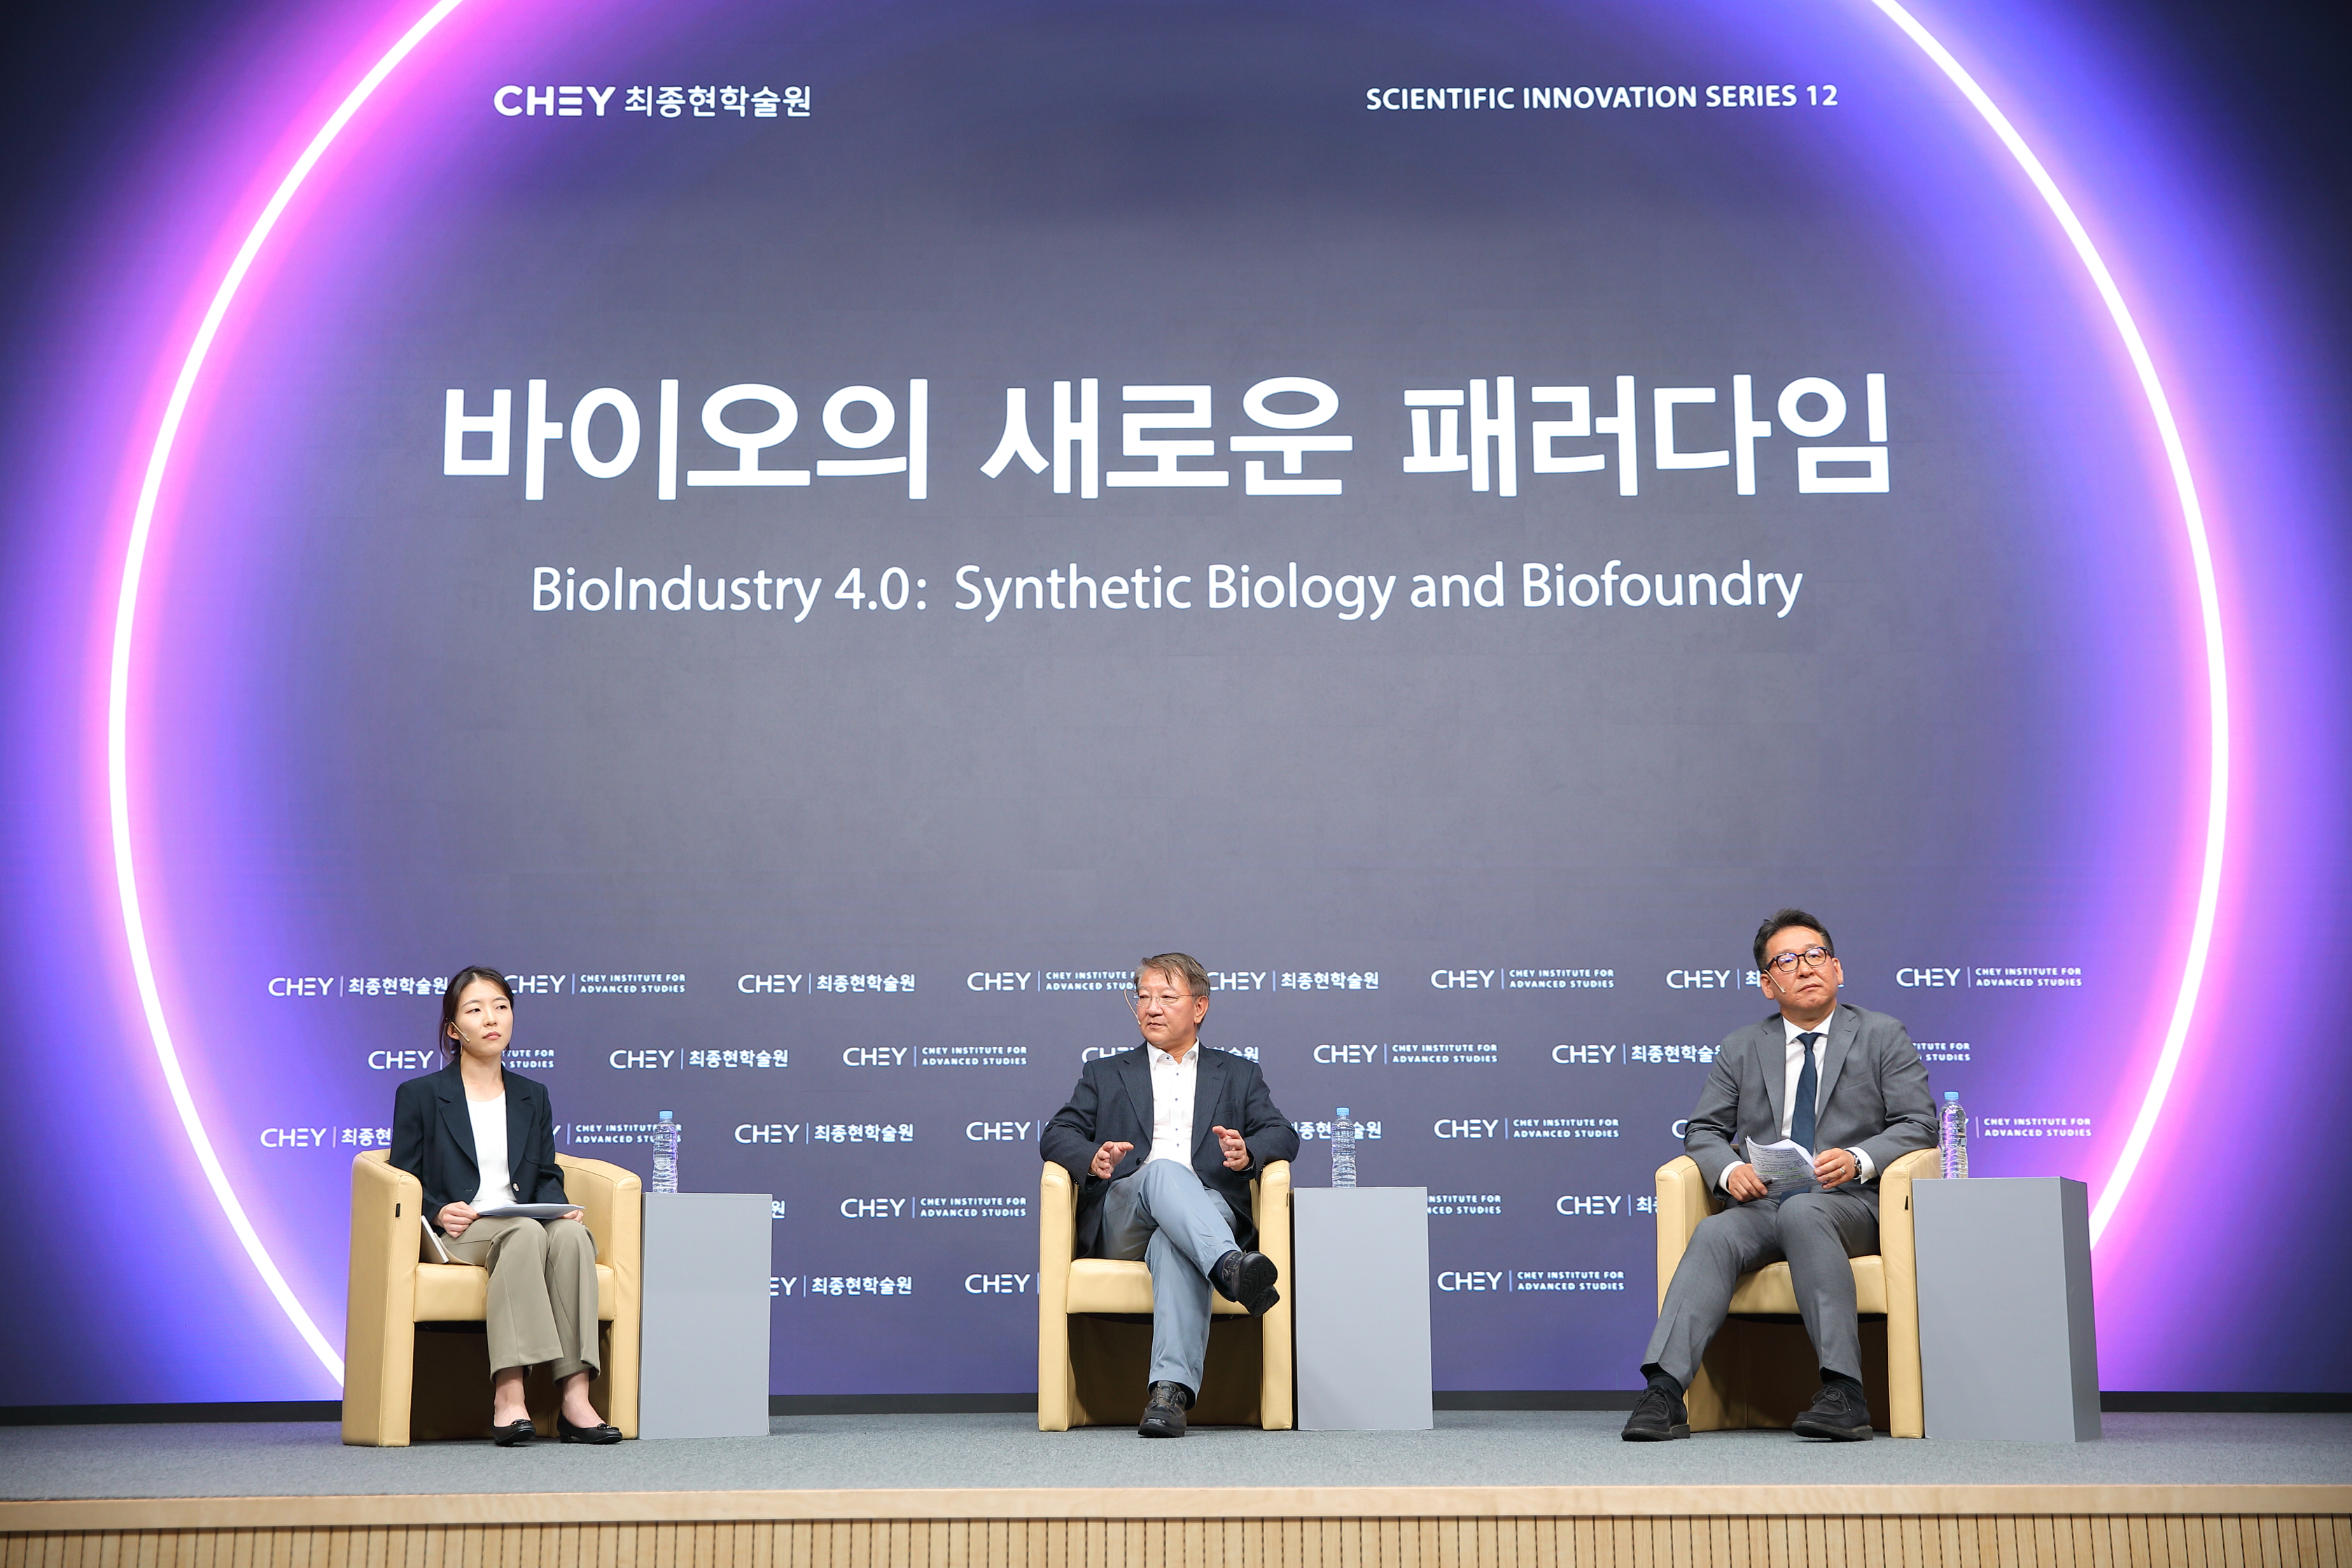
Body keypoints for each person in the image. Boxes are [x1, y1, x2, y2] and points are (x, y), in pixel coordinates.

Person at [1623, 909, 1936, 1443]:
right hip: (1768, 1201)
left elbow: (1919, 1124)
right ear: (1769, 985)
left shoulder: (1882, 1035)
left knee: (1806, 1211)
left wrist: (1858, 1158)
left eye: (1816, 955)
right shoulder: (1742, 1047)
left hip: (1850, 1204)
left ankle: (1845, 1392)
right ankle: (1665, 1391)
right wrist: (1730, 1171)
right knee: (1715, 1232)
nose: (1806, 968)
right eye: (1787, 961)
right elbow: (1704, 1130)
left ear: (1838, 969)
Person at [1041, 953, 1300, 1437]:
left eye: (1165, 996)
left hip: (1205, 1214)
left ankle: (1168, 1395)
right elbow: (1056, 1135)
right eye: (1142, 997)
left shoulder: (1238, 1074)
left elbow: (1282, 1134)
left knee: (1174, 1243)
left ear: (1199, 1006)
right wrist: (1093, 1157)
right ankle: (1229, 1265)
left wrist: (1248, 1153)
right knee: (1162, 1171)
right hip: (1127, 1216)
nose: (1151, 1008)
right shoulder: (1104, 1073)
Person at [388, 967, 622, 1446]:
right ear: (454, 1029)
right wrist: (436, 1210)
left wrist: (558, 1207)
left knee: (571, 1235)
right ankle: (509, 1394)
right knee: (524, 1232)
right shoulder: (421, 1095)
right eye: (475, 1010)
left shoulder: (532, 1096)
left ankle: (575, 1398)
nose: (491, 1019)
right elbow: (402, 1178)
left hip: (521, 1221)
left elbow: (546, 1174)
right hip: (460, 1230)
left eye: (500, 1007)